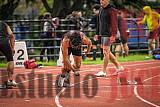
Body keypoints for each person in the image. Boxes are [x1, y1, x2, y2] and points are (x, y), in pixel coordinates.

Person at [95, 0, 124, 77]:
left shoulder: (112, 10)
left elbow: (114, 23)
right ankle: (118, 66)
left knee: (105, 52)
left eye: (103, 0)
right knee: (107, 51)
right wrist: (97, 33)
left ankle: (104, 71)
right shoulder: (101, 9)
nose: (101, 1)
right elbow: (99, 22)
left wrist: (113, 35)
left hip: (108, 34)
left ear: (107, 0)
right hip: (102, 33)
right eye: (100, 0)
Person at [0, 21, 17, 86]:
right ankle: (10, 80)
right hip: (4, 42)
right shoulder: (4, 24)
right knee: (10, 60)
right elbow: (11, 35)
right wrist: (12, 48)